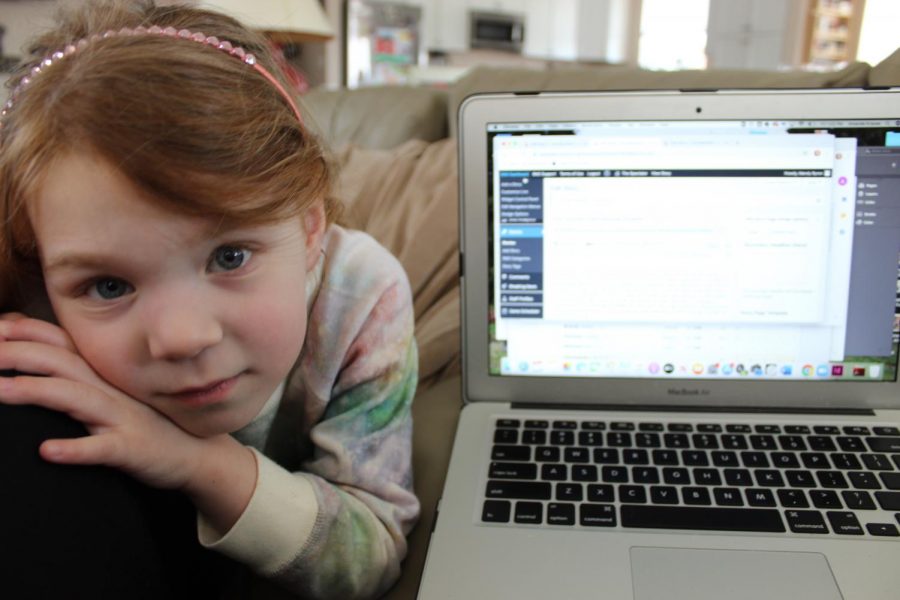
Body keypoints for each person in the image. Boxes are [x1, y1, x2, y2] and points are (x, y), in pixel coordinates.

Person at [0, 1, 419, 598]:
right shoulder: (32, 314)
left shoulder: (360, 298)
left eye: (229, 257)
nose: (182, 337)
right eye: (109, 286)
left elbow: (371, 552)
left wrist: (195, 460)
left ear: (307, 228)